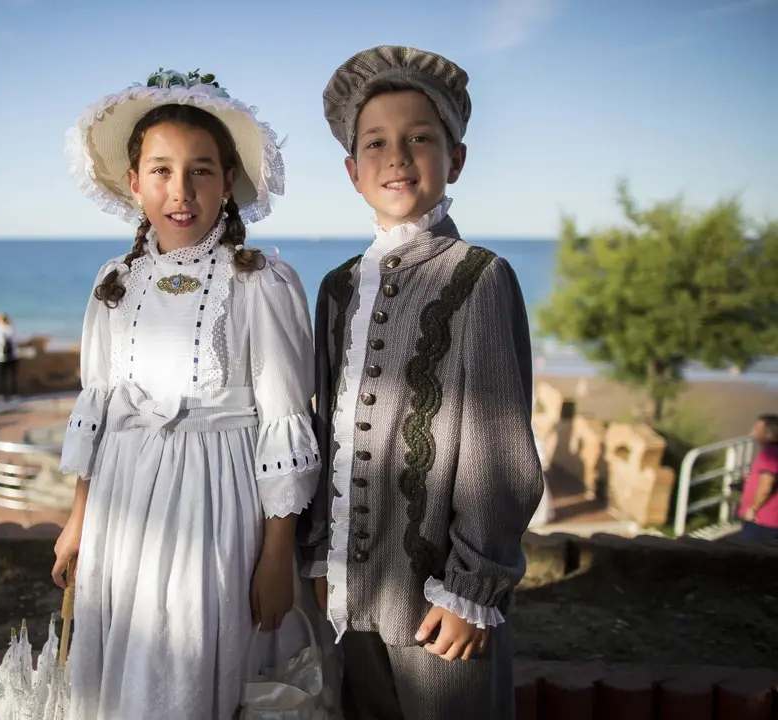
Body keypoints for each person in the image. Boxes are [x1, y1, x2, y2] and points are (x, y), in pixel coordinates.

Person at [51, 68, 322, 718]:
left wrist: (276, 556)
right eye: (162, 170)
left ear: (228, 183)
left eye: (201, 170)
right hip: (124, 503)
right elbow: (99, 408)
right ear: (134, 181)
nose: (181, 189)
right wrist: (78, 521)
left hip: (217, 505)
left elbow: (286, 419)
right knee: (130, 660)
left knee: (198, 656)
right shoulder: (115, 281)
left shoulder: (262, 282)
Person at [297, 46, 544, 720]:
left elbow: (499, 453)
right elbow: (322, 435)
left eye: (419, 139)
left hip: (437, 605)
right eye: (375, 143)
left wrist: (473, 589)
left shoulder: (479, 277)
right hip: (350, 597)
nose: (397, 156)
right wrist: (320, 562)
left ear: (454, 160)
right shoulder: (336, 288)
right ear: (353, 172)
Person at [738, 414, 778, 545]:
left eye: (757, 428)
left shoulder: (770, 454)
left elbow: (766, 487)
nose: (752, 432)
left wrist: (752, 509)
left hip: (761, 521)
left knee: (749, 558)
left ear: (770, 434)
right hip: (771, 521)